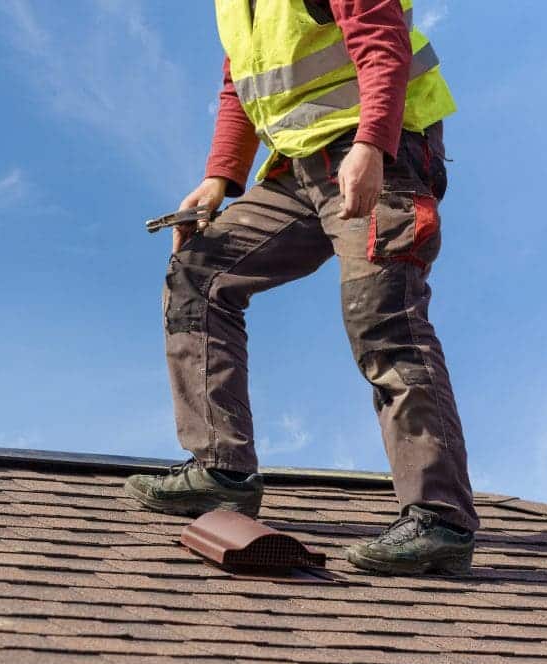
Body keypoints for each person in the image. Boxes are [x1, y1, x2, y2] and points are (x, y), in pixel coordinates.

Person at [124, 0, 479, 576]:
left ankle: (441, 521)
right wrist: (219, 178)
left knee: (383, 319)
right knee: (199, 273)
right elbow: (239, 83)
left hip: (381, 156)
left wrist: (372, 143)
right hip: (301, 173)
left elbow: (382, 42)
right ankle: (222, 472)